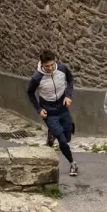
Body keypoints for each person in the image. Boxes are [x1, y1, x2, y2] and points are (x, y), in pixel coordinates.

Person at [27, 48, 78, 177]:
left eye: (52, 65)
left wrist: (69, 96)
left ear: (55, 61)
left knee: (67, 137)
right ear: (42, 64)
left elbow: (71, 80)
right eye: (46, 66)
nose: (50, 68)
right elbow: (30, 93)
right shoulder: (37, 77)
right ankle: (73, 163)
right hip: (49, 112)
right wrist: (39, 109)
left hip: (63, 108)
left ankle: (52, 134)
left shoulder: (62, 68)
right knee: (62, 141)